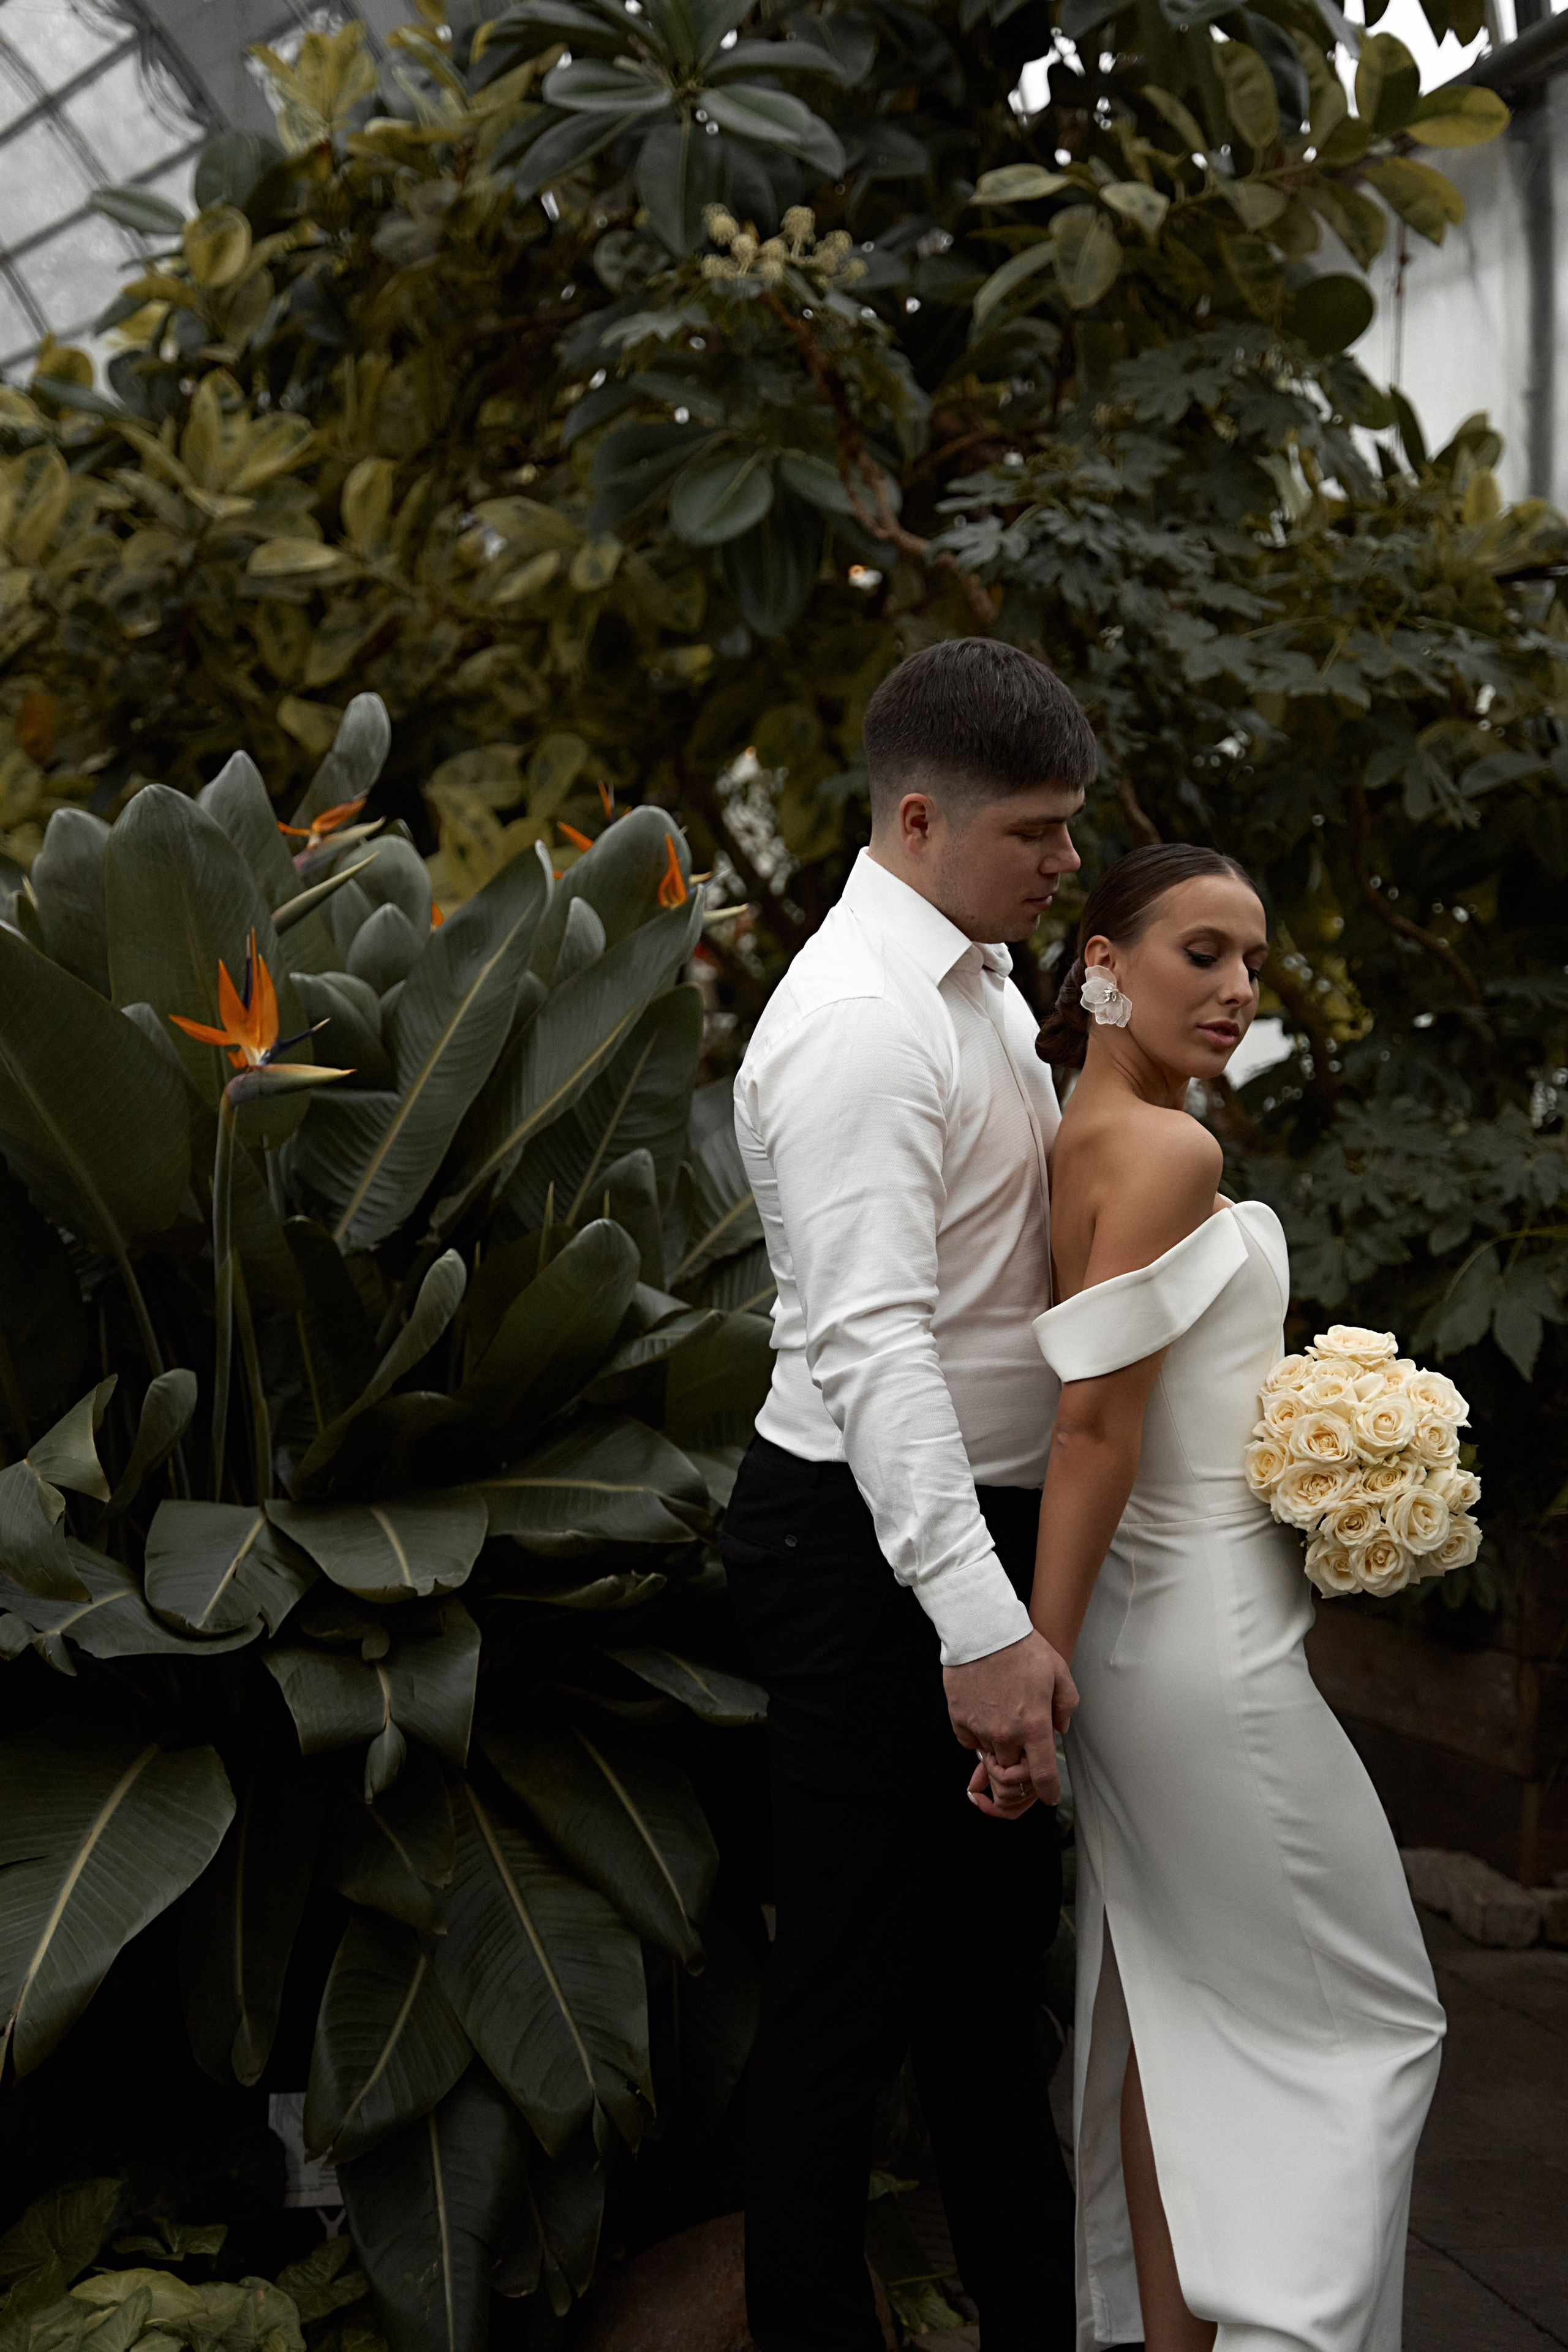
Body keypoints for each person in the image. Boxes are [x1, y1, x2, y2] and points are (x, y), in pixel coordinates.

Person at [987, 843, 1445, 2352]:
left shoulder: (1088, 1131)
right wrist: (1029, 1666)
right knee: (1372, 2023)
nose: (1237, 987)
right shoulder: (1168, 1157)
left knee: (1173, 2015)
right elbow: (1092, 1426)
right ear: (1103, 964)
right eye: (1200, 953)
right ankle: (1291, 2332)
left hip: (1149, 1635)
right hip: (1208, 1654)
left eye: (1248, 959)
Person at [723, 638, 1093, 2352]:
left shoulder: (979, 974)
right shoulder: (862, 1029)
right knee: (848, 2004)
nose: (1067, 861)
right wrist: (979, 1629)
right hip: (870, 1558)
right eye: (1038, 830)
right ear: (923, 815)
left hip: (972, 1543)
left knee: (979, 2002)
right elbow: (876, 1354)